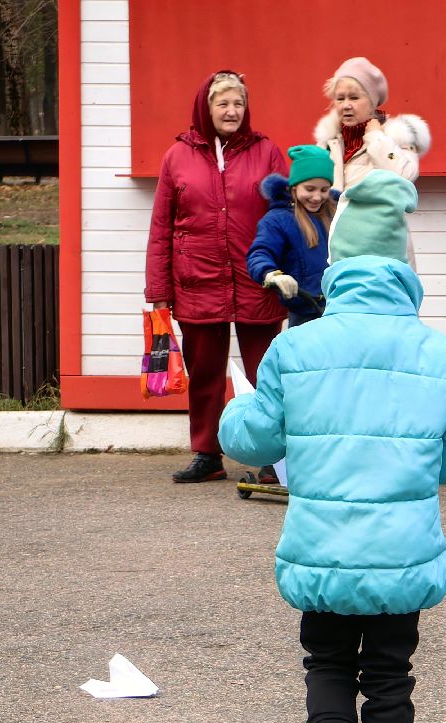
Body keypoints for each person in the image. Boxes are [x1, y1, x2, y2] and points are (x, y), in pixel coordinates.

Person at [218, 255, 446, 723]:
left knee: (327, 659)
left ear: (335, 289)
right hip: (400, 551)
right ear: (408, 291)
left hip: (322, 545)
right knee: (390, 676)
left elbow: (250, 442)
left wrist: (237, 408)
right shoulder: (439, 353)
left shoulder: (296, 347)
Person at [144, 70, 287, 484]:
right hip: (197, 280)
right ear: (206, 109)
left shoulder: (267, 152)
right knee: (204, 372)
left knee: (266, 373)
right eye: (222, 103)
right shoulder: (177, 156)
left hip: (257, 277)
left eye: (238, 103)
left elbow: (284, 215)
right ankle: (207, 453)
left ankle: (272, 458)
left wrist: (287, 271)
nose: (231, 111)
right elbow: (162, 227)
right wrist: (159, 290)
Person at [315, 56, 430, 267]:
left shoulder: (396, 137)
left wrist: (377, 138)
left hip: (384, 253)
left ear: (373, 100)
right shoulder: (327, 144)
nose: (346, 105)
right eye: (340, 99)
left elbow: (405, 177)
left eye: (354, 98)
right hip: (338, 252)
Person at [247, 144, 337, 328]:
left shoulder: (337, 212)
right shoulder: (278, 220)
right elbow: (260, 253)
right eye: (309, 189)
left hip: (340, 309)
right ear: (294, 187)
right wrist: (271, 274)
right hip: (305, 313)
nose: (317, 197)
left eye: (324, 190)